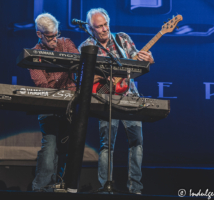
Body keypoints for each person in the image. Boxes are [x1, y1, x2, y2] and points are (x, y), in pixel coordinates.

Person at [78, 8, 154, 194]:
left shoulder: (122, 39)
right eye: (99, 27)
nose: (104, 29)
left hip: (130, 97)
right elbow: (83, 78)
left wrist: (149, 60)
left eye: (106, 25)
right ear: (90, 28)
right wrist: (106, 76)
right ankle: (106, 187)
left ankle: (135, 188)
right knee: (106, 146)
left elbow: (138, 64)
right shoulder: (87, 47)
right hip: (106, 99)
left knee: (136, 143)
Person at [29, 13, 79, 192]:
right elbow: (42, 84)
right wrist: (63, 71)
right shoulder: (34, 55)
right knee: (50, 146)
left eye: (56, 35)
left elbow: (78, 62)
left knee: (65, 148)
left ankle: (59, 185)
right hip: (48, 107)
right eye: (50, 37)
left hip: (69, 106)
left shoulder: (66, 43)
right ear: (39, 34)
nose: (54, 40)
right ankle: (40, 188)